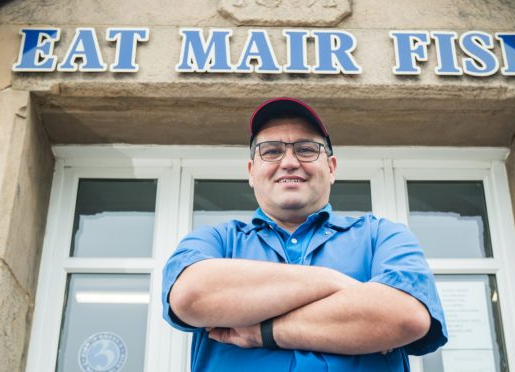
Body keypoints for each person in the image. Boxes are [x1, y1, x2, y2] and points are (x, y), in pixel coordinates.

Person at [162, 97, 447, 371]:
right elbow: (190, 296)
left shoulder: (381, 236)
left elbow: (405, 318)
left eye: (306, 149)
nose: (289, 162)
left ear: (331, 168)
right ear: (251, 172)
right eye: (271, 151)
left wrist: (265, 331)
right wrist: (338, 283)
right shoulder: (217, 241)